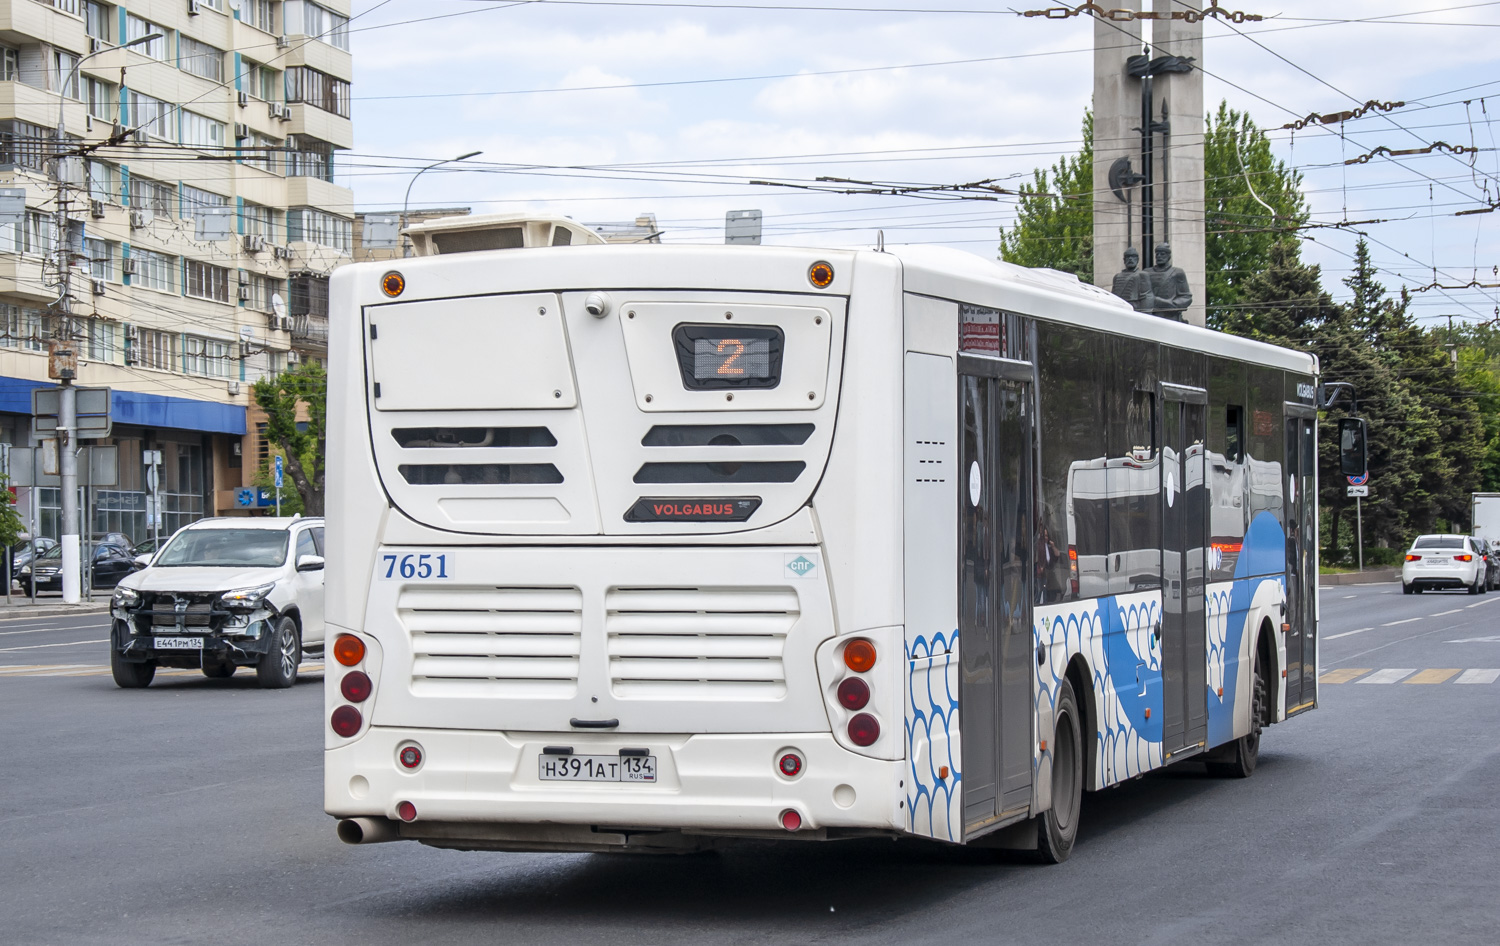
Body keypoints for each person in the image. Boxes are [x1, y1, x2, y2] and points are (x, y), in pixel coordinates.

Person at [1148, 242, 1193, 321]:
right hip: (1151, 315)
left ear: (1169, 256)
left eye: (1162, 254)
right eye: (1157, 254)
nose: (1159, 256)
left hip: (1170, 316)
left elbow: (1186, 297)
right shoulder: (1146, 273)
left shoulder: (1177, 272)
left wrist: (1172, 304)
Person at [1110, 247, 1156, 314]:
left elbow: (1148, 297)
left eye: (1133, 257)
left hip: (1135, 308)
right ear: (1124, 260)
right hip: (1120, 308)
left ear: (1137, 259)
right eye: (1128, 257)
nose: (1130, 259)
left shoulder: (1142, 275)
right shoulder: (1117, 277)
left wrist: (1146, 314)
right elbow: (1113, 297)